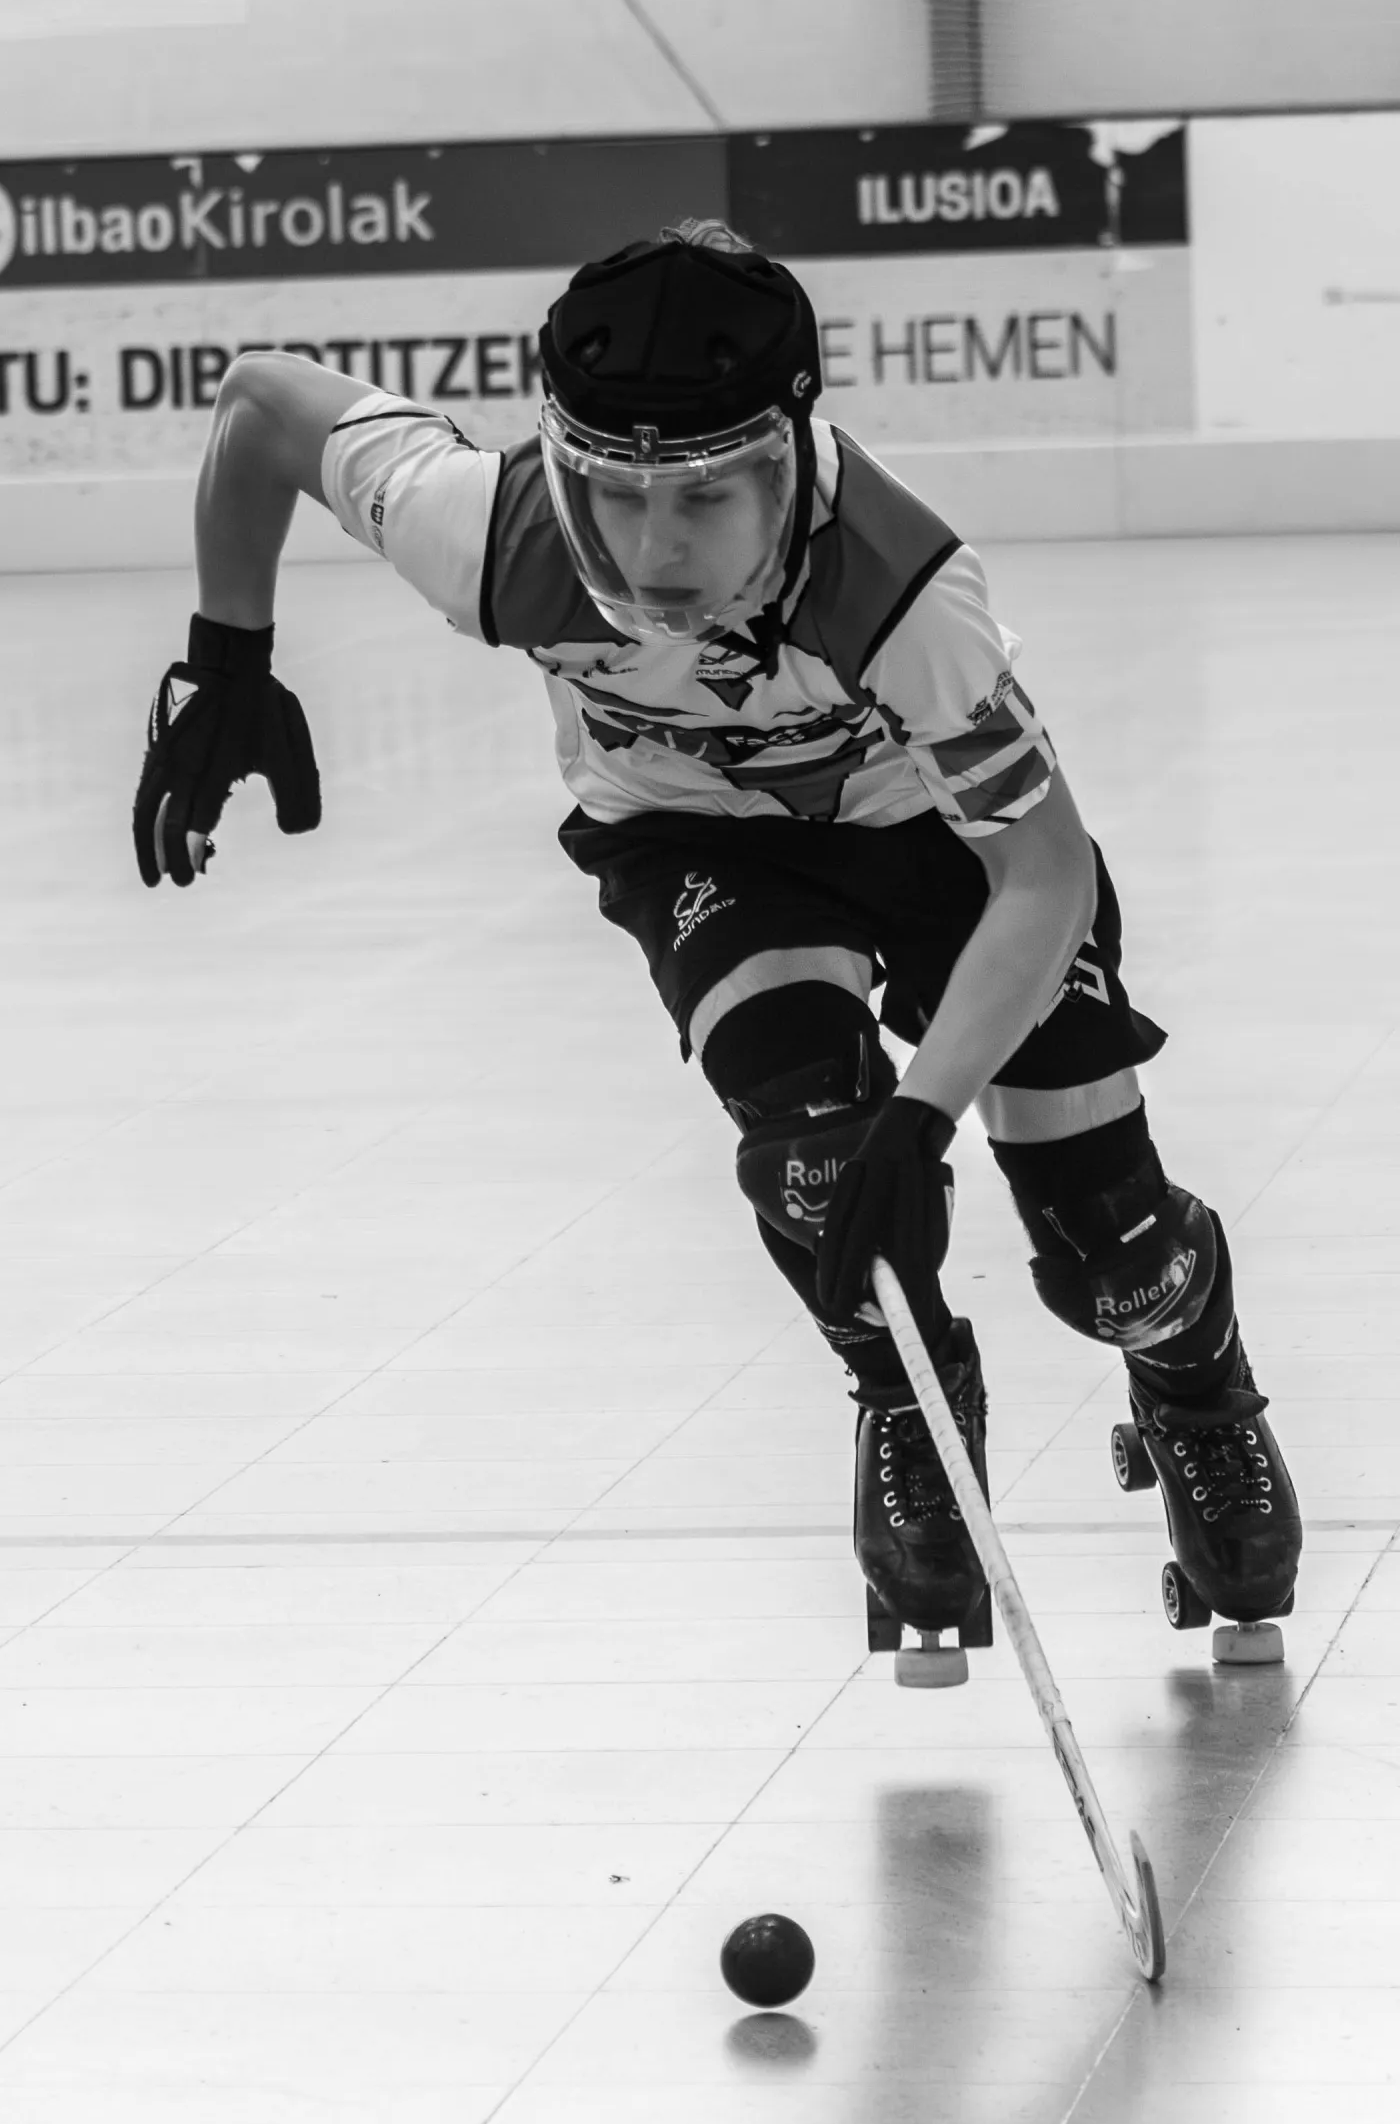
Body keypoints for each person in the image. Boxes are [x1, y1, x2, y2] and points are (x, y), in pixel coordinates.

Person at [133, 219, 1300, 1677]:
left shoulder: (898, 588)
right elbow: (259, 406)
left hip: (940, 845)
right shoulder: (488, 531)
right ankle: (906, 1390)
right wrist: (226, 655)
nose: (655, 550)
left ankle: (1195, 1383)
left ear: (790, 458)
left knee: (1113, 1259)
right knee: (815, 1167)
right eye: (612, 496)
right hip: (700, 841)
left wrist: (925, 1117)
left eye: (705, 495)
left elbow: (1043, 874)